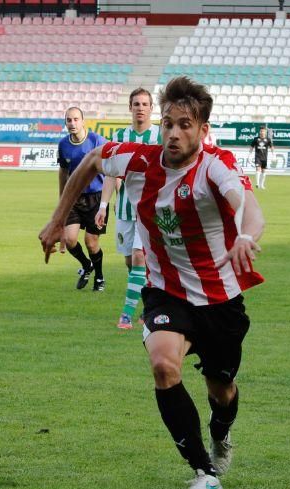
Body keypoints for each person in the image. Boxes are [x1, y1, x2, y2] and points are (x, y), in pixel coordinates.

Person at [40, 76, 265, 489]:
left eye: (185, 125)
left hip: (220, 298)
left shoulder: (217, 165)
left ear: (202, 130)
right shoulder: (138, 159)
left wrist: (245, 235)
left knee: (222, 390)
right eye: (168, 124)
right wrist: (56, 220)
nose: (174, 133)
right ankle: (204, 471)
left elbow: (249, 208)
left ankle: (221, 435)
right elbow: (88, 162)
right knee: (164, 366)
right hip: (166, 292)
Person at [97, 87, 161, 329]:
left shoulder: (160, 137)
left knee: (138, 256)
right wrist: (103, 205)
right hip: (123, 209)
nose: (141, 109)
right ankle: (148, 299)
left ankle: (127, 314)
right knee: (130, 262)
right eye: (137, 104)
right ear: (130, 108)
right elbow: (111, 175)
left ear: (151, 108)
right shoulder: (120, 136)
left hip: (149, 210)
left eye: (145, 104)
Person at [57, 106, 108, 291]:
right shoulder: (63, 145)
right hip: (74, 198)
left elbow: (111, 170)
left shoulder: (97, 141)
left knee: (91, 242)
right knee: (70, 240)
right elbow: (63, 172)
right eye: (69, 120)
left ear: (83, 121)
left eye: (76, 119)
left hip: (96, 198)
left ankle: (100, 277)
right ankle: (87, 265)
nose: (72, 123)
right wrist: (62, 199)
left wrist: (118, 195)